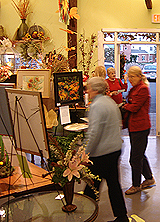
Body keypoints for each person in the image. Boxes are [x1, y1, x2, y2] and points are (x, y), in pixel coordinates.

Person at [84, 77, 129, 222]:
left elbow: (94, 132)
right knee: (114, 184)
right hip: (114, 149)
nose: (87, 90)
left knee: (91, 187)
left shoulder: (97, 106)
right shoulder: (110, 102)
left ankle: (86, 216)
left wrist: (84, 152)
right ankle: (121, 216)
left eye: (89, 87)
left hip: (101, 154)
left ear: (95, 89)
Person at [123, 66, 155, 195]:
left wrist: (125, 106)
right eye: (128, 76)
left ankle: (136, 185)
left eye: (132, 76)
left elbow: (134, 107)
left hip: (140, 128)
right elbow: (130, 104)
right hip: (134, 127)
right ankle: (149, 179)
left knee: (135, 158)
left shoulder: (143, 89)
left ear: (139, 76)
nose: (130, 79)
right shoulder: (135, 88)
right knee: (139, 154)